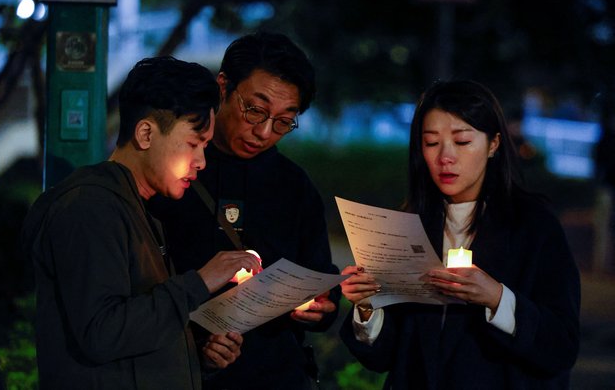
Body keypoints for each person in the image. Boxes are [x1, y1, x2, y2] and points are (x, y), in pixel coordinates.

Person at [21, 57, 261, 389]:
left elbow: (136, 334)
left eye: (205, 146)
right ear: (146, 133)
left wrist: (198, 356)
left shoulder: (135, 208)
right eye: (194, 144)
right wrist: (200, 282)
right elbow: (102, 333)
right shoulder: (91, 207)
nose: (202, 161)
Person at [339, 80, 580, 389]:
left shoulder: (533, 226)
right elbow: (384, 357)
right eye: (431, 142)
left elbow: (561, 345)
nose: (445, 157)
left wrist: (496, 298)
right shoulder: (406, 227)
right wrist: (367, 305)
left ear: (493, 144)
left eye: (462, 141)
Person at [149, 32, 340, 389]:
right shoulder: (174, 172)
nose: (264, 131)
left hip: (275, 374)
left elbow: (320, 275)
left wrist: (320, 308)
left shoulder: (294, 187)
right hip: (181, 373)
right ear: (223, 87)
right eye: (255, 109)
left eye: (284, 121)